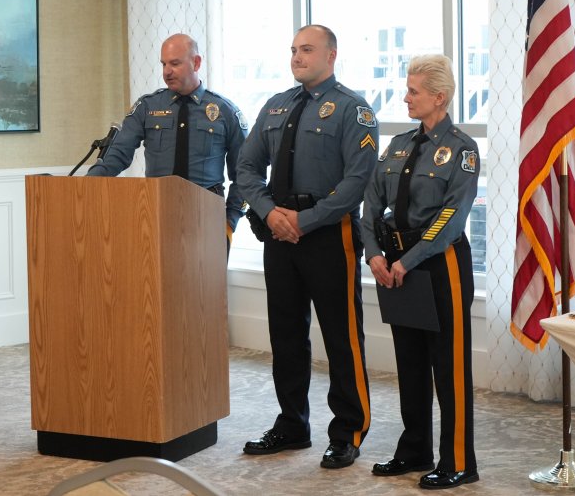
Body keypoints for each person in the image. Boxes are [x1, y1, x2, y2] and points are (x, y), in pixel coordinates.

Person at [236, 24, 379, 469]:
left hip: (328, 233)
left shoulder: (353, 111)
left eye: (307, 49)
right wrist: (270, 213)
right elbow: (246, 167)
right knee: (286, 335)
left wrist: (305, 219)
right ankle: (292, 424)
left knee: (341, 337)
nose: (297, 57)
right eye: (294, 50)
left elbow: (357, 183)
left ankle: (347, 431)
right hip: (279, 233)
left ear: (332, 55)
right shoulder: (276, 106)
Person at [363, 54, 479, 489]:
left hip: (439, 264)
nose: (405, 97)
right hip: (395, 264)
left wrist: (404, 262)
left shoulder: (463, 150)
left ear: (439, 97)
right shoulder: (399, 145)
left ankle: (460, 461)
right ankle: (414, 451)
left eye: (413, 91)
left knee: (448, 365)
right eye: (407, 89)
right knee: (408, 363)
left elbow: (451, 220)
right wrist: (374, 255)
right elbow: (372, 204)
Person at [87, 33, 248, 240]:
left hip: (208, 219)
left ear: (196, 62)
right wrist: (86, 184)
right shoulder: (147, 107)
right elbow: (118, 154)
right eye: (163, 64)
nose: (167, 72)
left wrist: (230, 222)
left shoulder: (225, 111)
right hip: (155, 215)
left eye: (175, 63)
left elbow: (243, 174)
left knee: (203, 275)